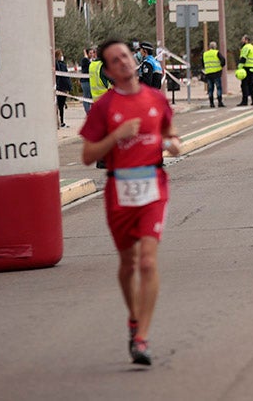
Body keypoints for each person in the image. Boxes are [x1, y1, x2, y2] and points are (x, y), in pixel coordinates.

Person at [80, 39, 180, 366]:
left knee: (148, 262)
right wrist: (116, 136)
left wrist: (174, 144)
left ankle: (142, 338)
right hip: (119, 189)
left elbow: (172, 133)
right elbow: (87, 155)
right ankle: (133, 318)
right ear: (108, 71)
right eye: (116, 60)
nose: (124, 62)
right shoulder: (104, 107)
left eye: (126, 55)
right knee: (128, 265)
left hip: (153, 184)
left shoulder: (156, 98)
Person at [202, 41, 226, 108]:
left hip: (208, 73)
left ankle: (211, 103)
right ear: (215, 47)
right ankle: (220, 102)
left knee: (210, 89)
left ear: (209, 47)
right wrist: (221, 66)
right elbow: (223, 60)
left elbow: (203, 63)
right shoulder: (216, 53)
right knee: (218, 88)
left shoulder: (205, 54)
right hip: (216, 73)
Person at [237, 35, 253, 106]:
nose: (241, 41)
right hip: (252, 67)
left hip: (246, 68)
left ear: (246, 40)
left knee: (244, 85)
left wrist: (239, 67)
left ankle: (244, 101)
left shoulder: (246, 47)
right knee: (251, 85)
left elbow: (243, 58)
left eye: (242, 39)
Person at [54, 49, 71, 128]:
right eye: (61, 55)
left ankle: (60, 122)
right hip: (62, 87)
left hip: (59, 87)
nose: (62, 56)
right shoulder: (60, 65)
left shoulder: (57, 64)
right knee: (61, 106)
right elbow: (65, 77)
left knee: (59, 106)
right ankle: (61, 122)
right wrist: (68, 86)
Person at [79, 47, 94, 114]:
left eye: (92, 53)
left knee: (91, 97)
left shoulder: (91, 60)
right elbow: (88, 64)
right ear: (87, 54)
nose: (92, 54)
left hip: (90, 81)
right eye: (90, 53)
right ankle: (88, 112)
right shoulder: (85, 60)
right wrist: (85, 56)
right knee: (86, 97)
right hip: (85, 82)